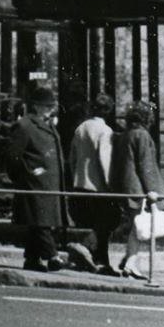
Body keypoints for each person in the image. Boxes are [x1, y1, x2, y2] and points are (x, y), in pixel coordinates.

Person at [1, 85, 70, 271]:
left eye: (52, 106)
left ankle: (32, 259)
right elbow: (12, 156)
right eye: (47, 106)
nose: (50, 110)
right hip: (34, 184)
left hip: (49, 185)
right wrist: (26, 175)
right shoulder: (24, 125)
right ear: (37, 106)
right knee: (41, 222)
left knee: (39, 220)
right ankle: (52, 256)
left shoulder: (47, 126)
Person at [110, 99, 164, 282]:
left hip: (126, 185)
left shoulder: (125, 134)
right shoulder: (142, 135)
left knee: (136, 226)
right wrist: (153, 190)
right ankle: (130, 263)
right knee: (140, 227)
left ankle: (129, 259)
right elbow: (146, 166)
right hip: (138, 188)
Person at [66, 92, 118, 275]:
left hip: (79, 184)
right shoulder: (105, 131)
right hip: (98, 187)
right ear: (109, 111)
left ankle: (82, 259)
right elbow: (105, 160)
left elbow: (71, 157)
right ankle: (101, 262)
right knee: (102, 228)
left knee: (84, 224)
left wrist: (76, 176)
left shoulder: (81, 128)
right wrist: (109, 184)